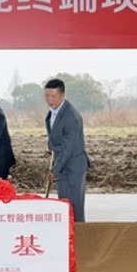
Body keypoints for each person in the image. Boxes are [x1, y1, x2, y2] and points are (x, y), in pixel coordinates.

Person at [44, 78, 89, 222]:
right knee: (64, 204)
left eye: (53, 96)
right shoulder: (53, 112)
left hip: (73, 166)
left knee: (75, 206)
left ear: (63, 95)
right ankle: (68, 233)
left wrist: (55, 170)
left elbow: (68, 148)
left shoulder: (71, 117)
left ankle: (79, 233)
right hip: (62, 164)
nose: (50, 100)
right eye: (47, 96)